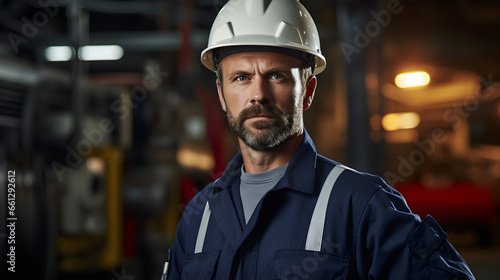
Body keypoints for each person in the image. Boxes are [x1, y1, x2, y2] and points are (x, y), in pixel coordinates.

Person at [167, 0, 475, 279]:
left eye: (276, 76)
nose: (258, 95)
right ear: (221, 95)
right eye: (241, 77)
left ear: (309, 91)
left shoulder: (362, 205)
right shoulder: (199, 216)